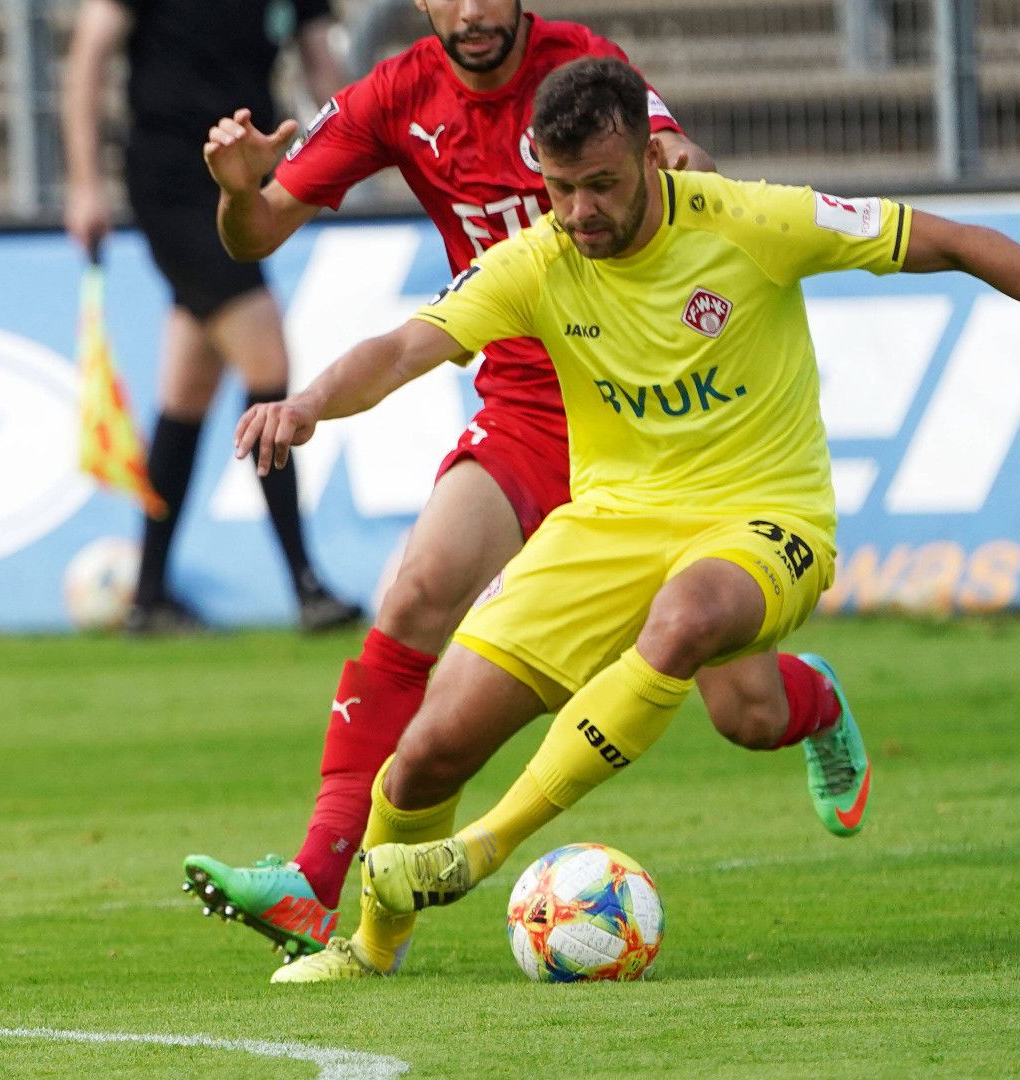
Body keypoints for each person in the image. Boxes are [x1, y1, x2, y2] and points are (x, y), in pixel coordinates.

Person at [237, 57, 1020, 982]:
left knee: (689, 619)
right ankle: (370, 947)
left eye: (602, 186)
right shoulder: (538, 258)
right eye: (562, 187)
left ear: (651, 156)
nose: (580, 211)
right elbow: (407, 345)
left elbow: (957, 242)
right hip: (611, 525)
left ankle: (487, 845)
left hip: (763, 516)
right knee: (430, 752)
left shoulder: (753, 221)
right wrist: (309, 404)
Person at [177, 0, 724, 962]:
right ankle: (315, 884)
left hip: (646, 404)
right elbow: (257, 233)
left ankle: (810, 701)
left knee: (746, 707)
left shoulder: (585, 66)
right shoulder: (396, 94)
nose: (470, 11)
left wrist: (676, 165)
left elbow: (685, 163)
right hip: (527, 406)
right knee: (420, 592)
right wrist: (235, 191)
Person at [61, 0, 364, 634]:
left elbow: (320, 66)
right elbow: (89, 57)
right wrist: (84, 184)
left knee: (188, 389)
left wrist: (361, 146)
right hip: (172, 179)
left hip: (246, 183)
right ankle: (306, 585)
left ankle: (148, 595)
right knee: (269, 362)